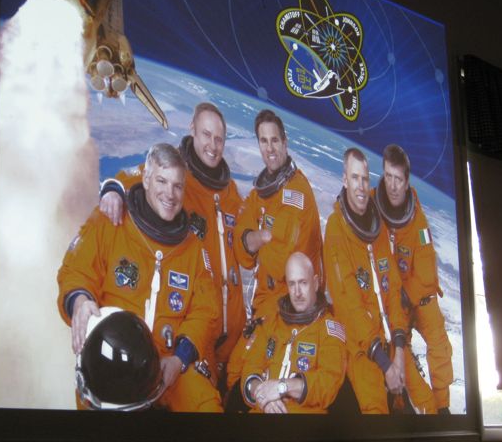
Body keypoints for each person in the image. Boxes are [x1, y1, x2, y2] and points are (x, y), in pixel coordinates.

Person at [57, 143, 223, 412]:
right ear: (146, 179)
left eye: (177, 186)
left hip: (166, 365)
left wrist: (180, 359)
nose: (170, 194)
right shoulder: (111, 221)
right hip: (111, 362)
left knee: (207, 406)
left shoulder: (193, 249)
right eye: (161, 181)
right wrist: (80, 302)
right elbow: (76, 270)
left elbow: (206, 311)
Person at [98, 102, 245, 391]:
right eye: (206, 135)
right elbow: (137, 179)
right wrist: (112, 190)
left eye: (219, 139)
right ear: (192, 130)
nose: (213, 146)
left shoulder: (231, 193)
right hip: (192, 327)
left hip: (228, 339)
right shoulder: (176, 176)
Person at [323, 147, 437, 414]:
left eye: (365, 179)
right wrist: (386, 364)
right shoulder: (336, 230)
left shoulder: (378, 229)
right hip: (361, 347)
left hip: (391, 341)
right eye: (355, 178)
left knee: (427, 405)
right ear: (345, 180)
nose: (361, 186)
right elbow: (350, 308)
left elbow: (393, 290)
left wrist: (399, 349)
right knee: (376, 412)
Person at [226, 108, 323, 397]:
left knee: (240, 371)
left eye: (275, 140)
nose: (270, 148)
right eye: (263, 141)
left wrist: (254, 241)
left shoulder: (296, 194)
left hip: (286, 301)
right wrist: (255, 239)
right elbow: (241, 250)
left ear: (285, 142)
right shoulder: (260, 193)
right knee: (233, 369)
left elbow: (281, 264)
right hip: (266, 300)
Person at [374, 144, 453, 413]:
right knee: (400, 351)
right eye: (388, 176)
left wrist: (406, 296)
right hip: (390, 301)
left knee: (437, 336)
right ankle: (412, 404)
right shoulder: (372, 207)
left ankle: (442, 405)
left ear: (407, 182)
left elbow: (427, 275)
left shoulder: (418, 224)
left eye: (398, 179)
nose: (392, 185)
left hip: (413, 296)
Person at [241, 252, 346, 414]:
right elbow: (250, 368)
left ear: (315, 283)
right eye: (292, 284)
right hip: (263, 410)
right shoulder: (271, 322)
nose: (297, 293)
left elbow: (328, 384)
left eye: (303, 283)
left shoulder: (329, 329)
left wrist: (282, 387)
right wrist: (264, 399)